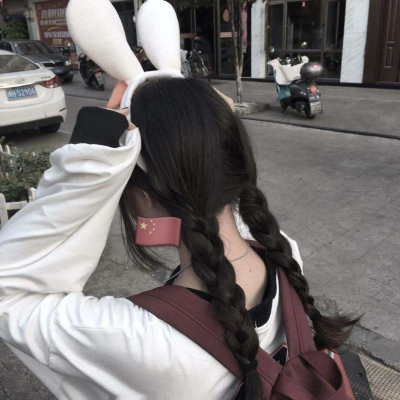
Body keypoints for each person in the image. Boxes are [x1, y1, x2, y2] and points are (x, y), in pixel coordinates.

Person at [0, 77, 357, 399]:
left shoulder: (136, 337)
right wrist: (207, 125)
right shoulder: (284, 253)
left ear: (144, 197)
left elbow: (7, 292)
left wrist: (84, 169)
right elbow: (219, 206)